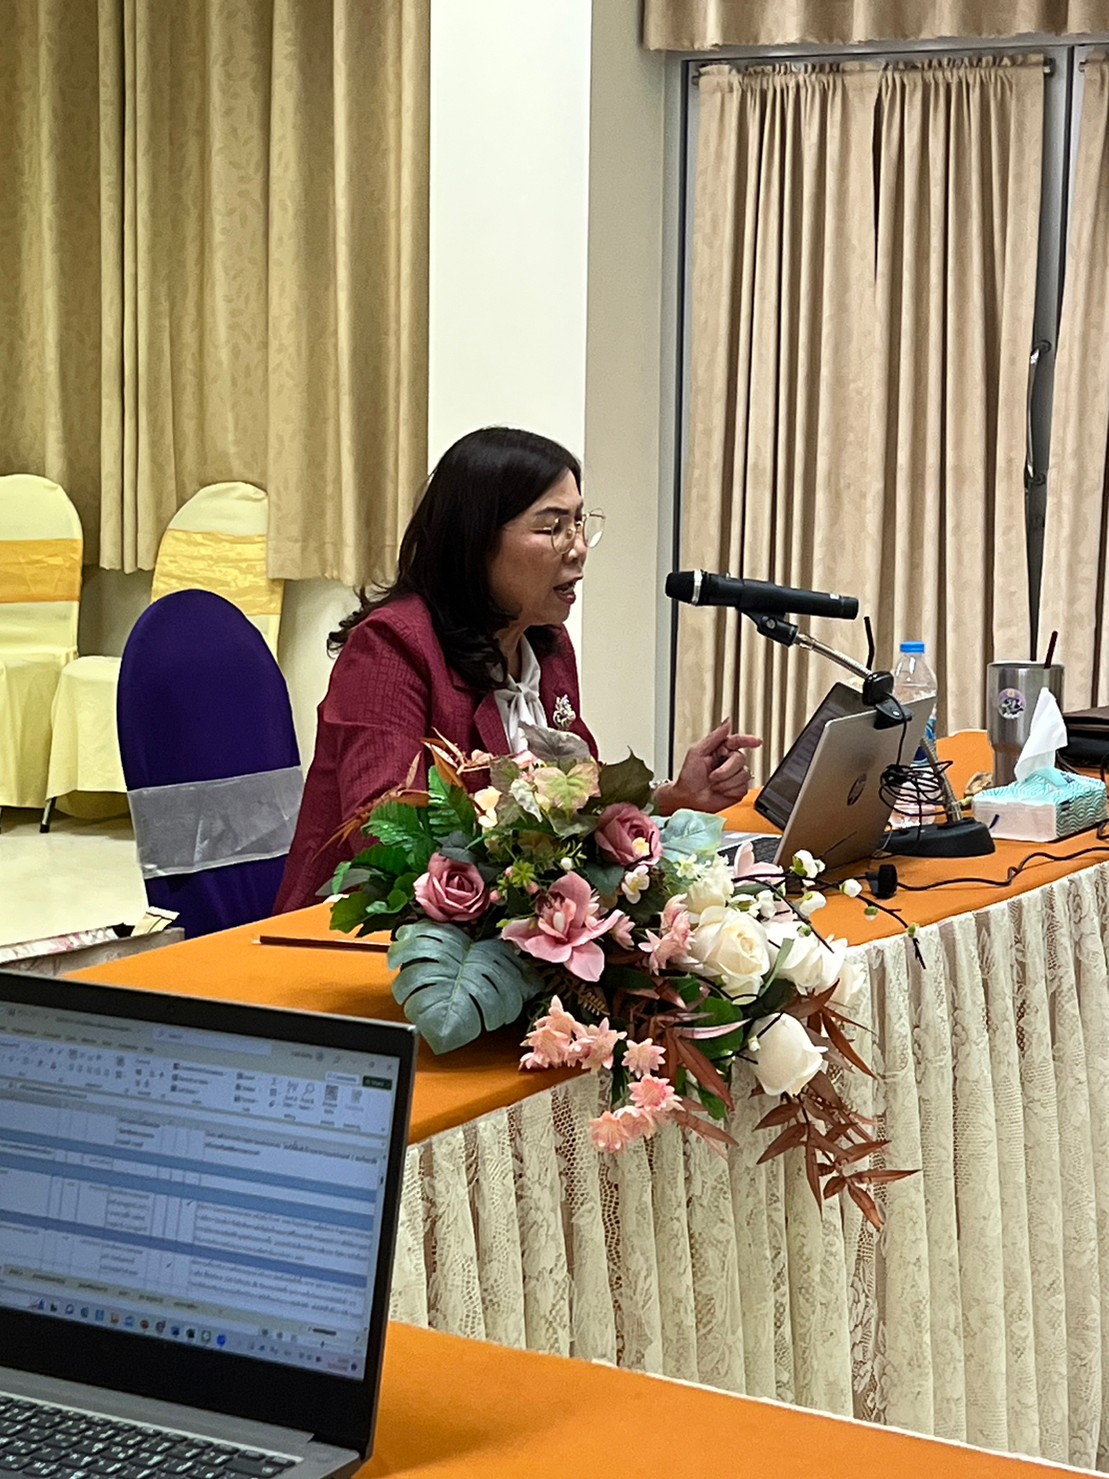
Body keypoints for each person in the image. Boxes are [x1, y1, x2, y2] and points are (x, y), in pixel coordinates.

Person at [275, 427, 761, 912]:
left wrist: (675, 796)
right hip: (356, 938)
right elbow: (386, 839)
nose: (578, 548)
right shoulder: (393, 647)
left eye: (579, 523)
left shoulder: (546, 647)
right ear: (476, 539)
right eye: (553, 528)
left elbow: (578, 802)